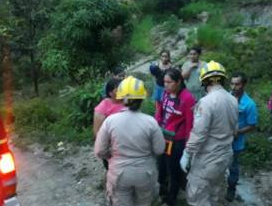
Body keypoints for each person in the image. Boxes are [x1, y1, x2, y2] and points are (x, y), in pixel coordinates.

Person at [94, 76, 165, 206]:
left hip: (119, 172)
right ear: (142, 98)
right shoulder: (150, 122)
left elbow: (99, 150)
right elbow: (159, 149)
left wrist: (111, 157)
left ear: (121, 97)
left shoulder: (110, 121)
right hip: (145, 173)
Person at [179, 61, 238, 206]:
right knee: (214, 192)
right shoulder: (233, 100)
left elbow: (199, 133)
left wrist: (187, 153)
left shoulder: (206, 102)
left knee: (197, 196)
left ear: (204, 81)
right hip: (225, 155)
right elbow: (233, 129)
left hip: (208, 158)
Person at [155, 68, 195, 206]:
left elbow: (190, 124)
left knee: (174, 171)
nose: (166, 85)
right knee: (161, 166)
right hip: (162, 135)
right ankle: (161, 191)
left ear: (178, 82)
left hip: (177, 140)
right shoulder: (166, 93)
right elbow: (160, 109)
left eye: (169, 82)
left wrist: (188, 148)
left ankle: (171, 199)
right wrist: (157, 123)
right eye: (164, 82)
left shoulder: (187, 98)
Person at [226, 72, 258, 202]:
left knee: (233, 166)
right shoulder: (226, 97)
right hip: (221, 139)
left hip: (236, 141)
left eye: (237, 84)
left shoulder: (250, 104)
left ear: (244, 85)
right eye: (232, 84)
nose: (234, 87)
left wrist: (237, 132)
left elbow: (252, 125)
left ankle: (231, 188)